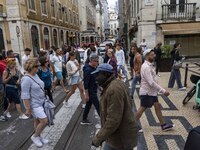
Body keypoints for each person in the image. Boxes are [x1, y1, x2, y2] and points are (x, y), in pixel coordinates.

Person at [92, 63, 138, 150]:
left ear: (106, 74)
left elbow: (113, 119)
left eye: (98, 75)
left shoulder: (113, 89)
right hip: (119, 135)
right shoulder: (116, 84)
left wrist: (98, 138)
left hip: (120, 138)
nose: (96, 78)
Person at [135, 49, 174, 131]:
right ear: (147, 56)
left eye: (154, 54)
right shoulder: (146, 67)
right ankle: (132, 125)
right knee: (142, 109)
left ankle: (163, 125)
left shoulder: (149, 65)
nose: (154, 56)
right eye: (152, 55)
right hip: (147, 93)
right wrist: (163, 91)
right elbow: (151, 82)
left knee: (157, 106)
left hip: (152, 92)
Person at [21, 58, 49, 147]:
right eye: (36, 66)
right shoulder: (26, 79)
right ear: (31, 67)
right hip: (34, 104)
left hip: (40, 102)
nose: (38, 68)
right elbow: (25, 95)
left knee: (37, 120)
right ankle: (35, 136)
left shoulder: (35, 75)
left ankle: (39, 136)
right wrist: (28, 108)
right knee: (44, 121)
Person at [81, 54, 100, 125]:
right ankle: (105, 121)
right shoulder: (88, 70)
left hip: (93, 90)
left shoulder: (94, 68)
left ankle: (84, 119)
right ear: (92, 61)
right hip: (91, 92)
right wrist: (86, 95)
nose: (97, 63)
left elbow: (95, 80)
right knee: (98, 106)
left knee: (88, 105)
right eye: (96, 61)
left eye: (98, 61)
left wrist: (99, 87)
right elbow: (86, 83)